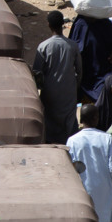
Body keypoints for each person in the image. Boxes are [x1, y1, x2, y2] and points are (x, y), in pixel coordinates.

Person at [65, 104, 112, 222]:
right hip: (104, 189)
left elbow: (71, 168)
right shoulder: (106, 138)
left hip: (83, 190)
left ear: (81, 120)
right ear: (96, 118)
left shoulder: (72, 140)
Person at [33, 12, 79, 143]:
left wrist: (41, 89)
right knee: (69, 121)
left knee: (50, 120)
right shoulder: (72, 45)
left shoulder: (43, 46)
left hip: (50, 91)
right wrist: (75, 85)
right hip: (68, 90)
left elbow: (37, 72)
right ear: (63, 24)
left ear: (48, 25)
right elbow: (79, 70)